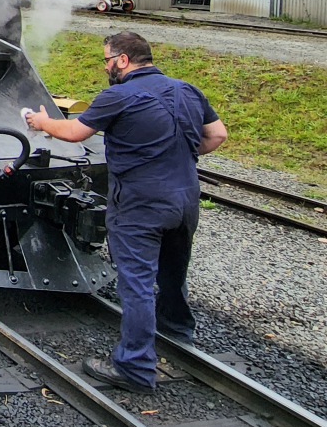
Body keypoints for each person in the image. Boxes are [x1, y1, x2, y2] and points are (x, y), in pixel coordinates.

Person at [25, 31, 227, 393]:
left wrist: (41, 123)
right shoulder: (187, 90)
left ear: (122, 60)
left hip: (140, 203)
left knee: (136, 283)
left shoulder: (118, 95)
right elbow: (217, 135)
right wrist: (174, 157)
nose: (105, 67)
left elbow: (74, 132)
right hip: (185, 199)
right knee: (172, 272)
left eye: (106, 60)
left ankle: (134, 366)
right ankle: (178, 335)